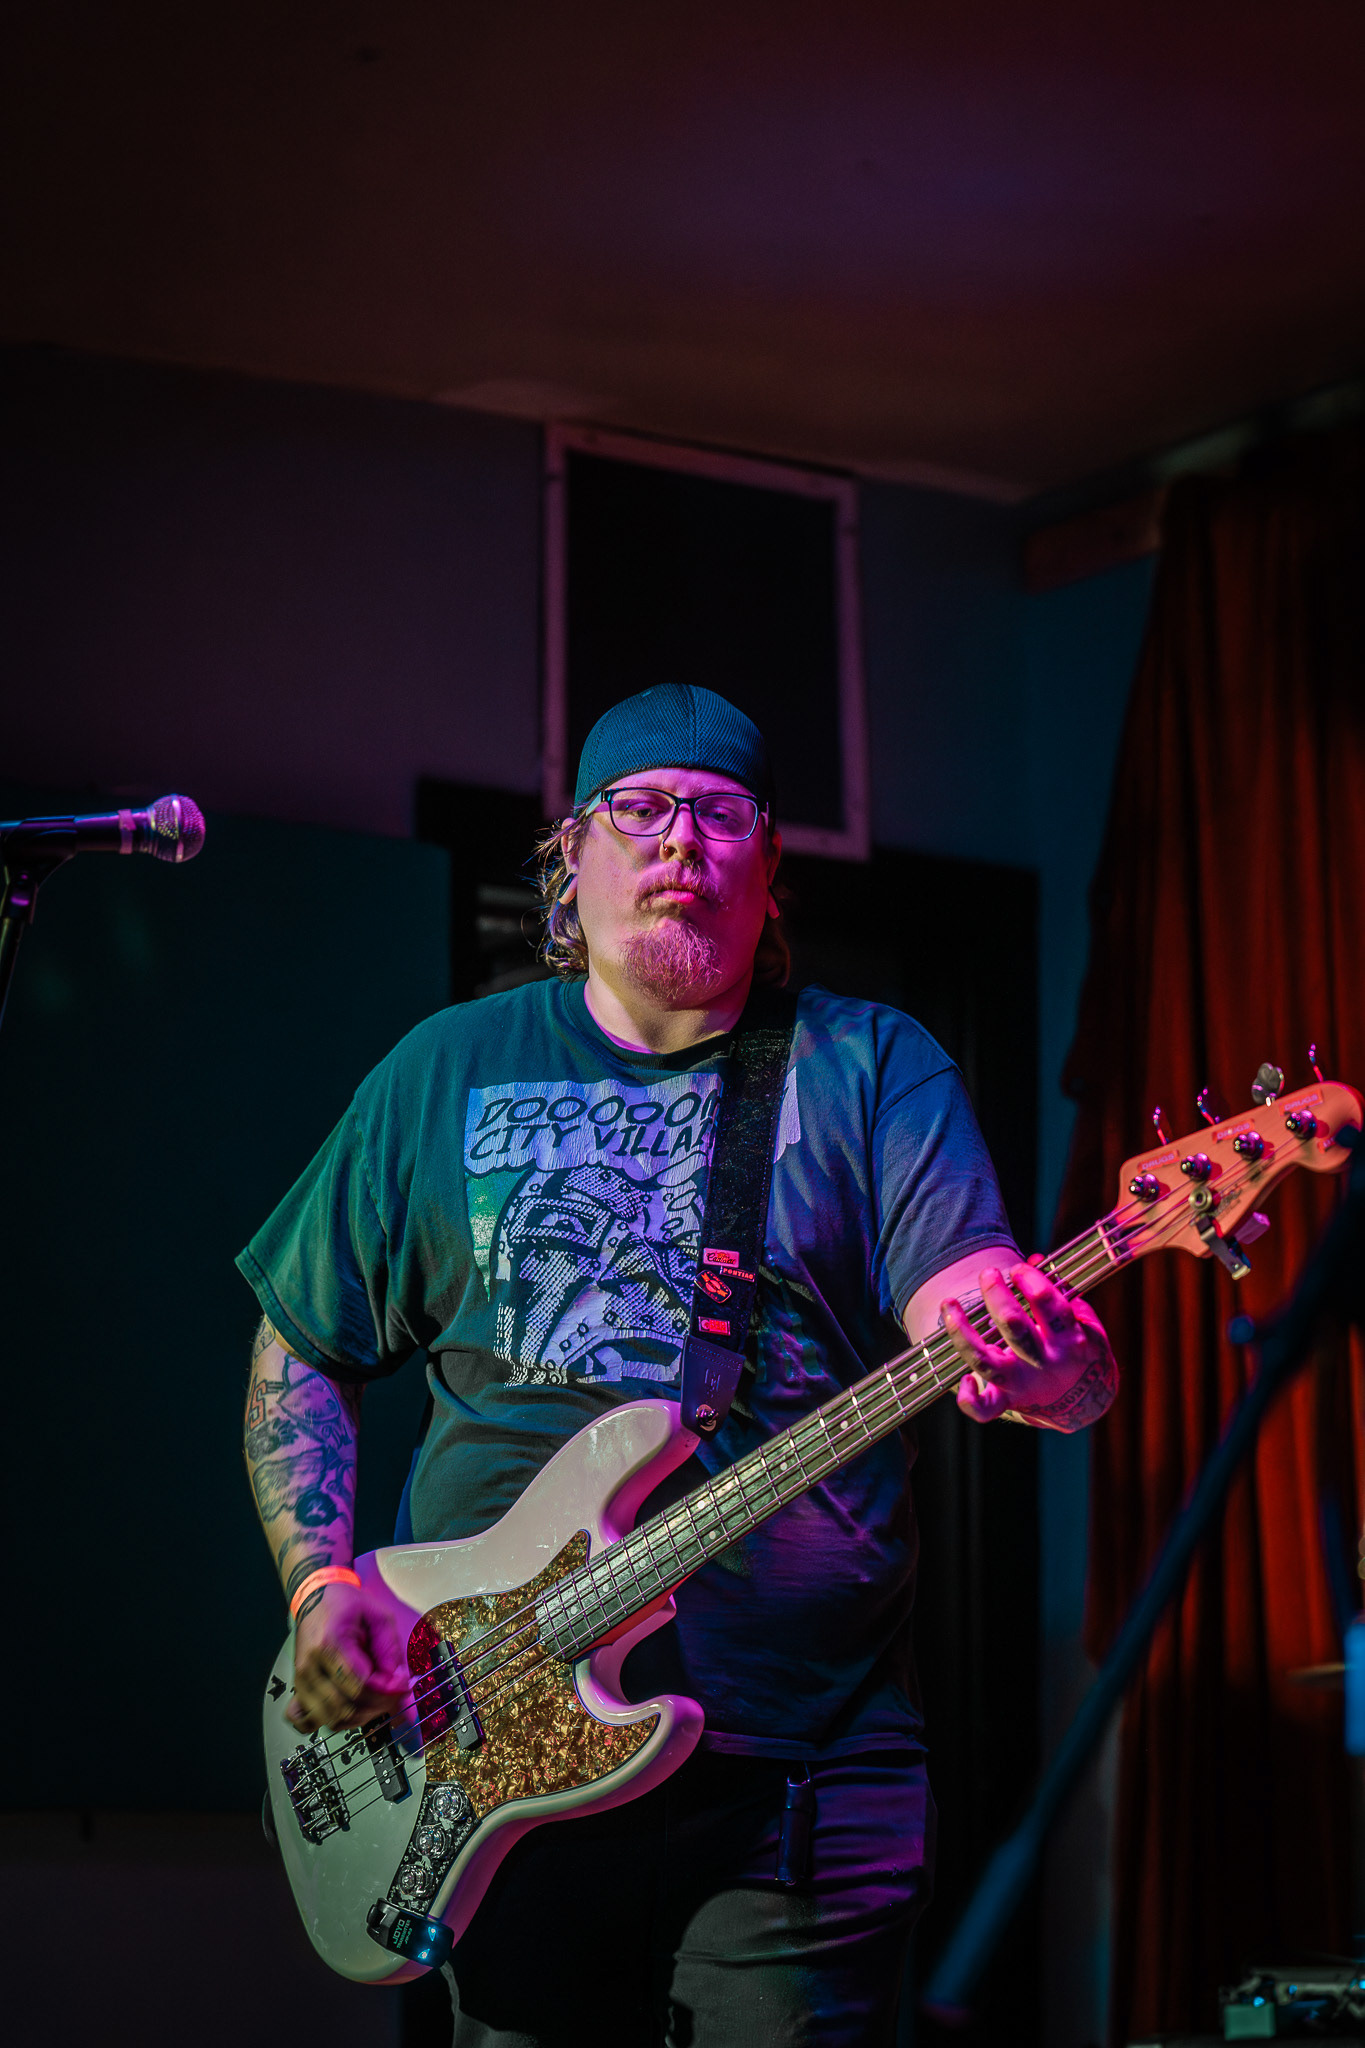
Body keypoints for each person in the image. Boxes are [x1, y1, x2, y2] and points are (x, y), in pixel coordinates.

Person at [239, 683, 1116, 2047]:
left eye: (718, 816)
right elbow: (300, 1354)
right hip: (483, 1757)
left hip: (795, 1773)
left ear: (769, 866)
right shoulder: (440, 1072)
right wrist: (318, 1587)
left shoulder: (870, 1065)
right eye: (638, 810)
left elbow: (971, 1297)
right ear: (571, 855)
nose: (677, 843)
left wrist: (1046, 1360)